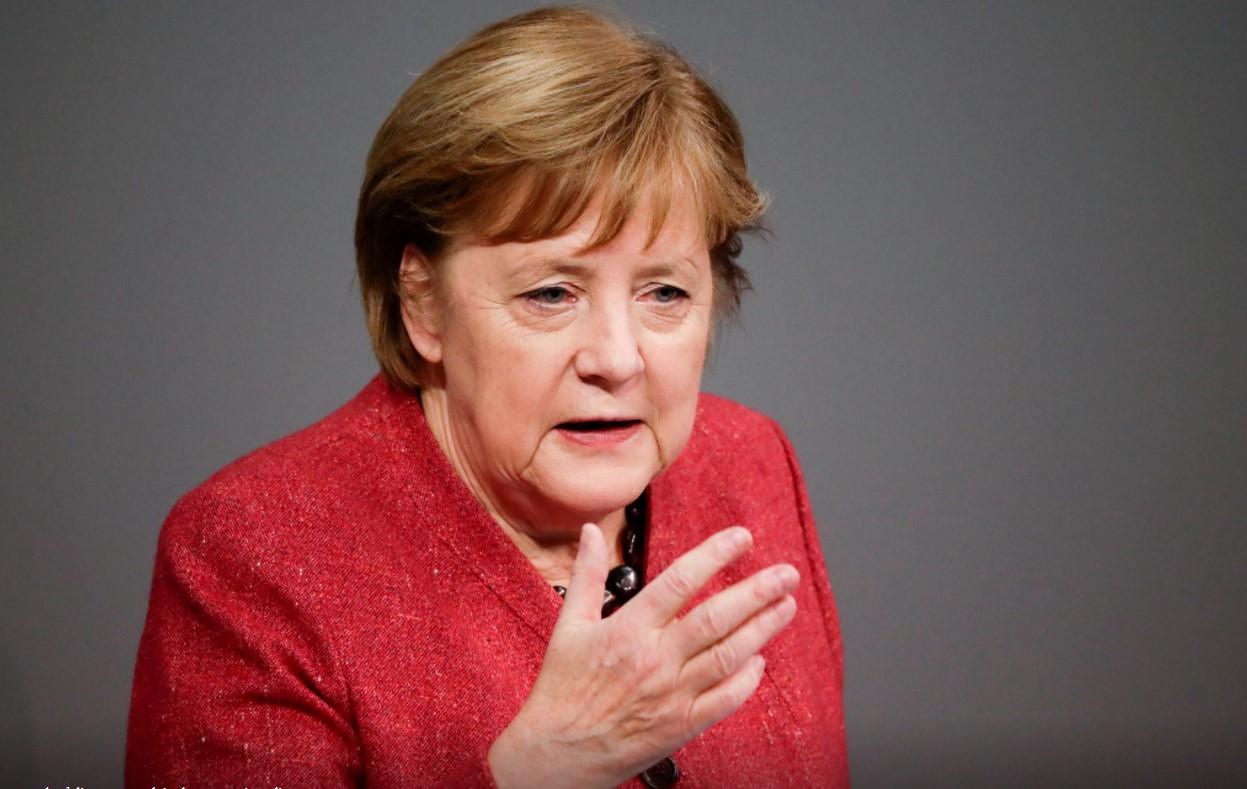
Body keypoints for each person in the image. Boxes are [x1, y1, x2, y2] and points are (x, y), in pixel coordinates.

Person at [126, 6, 848, 787]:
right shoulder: (254, 557)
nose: (616, 357)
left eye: (664, 291)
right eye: (549, 293)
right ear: (424, 302)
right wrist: (538, 773)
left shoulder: (747, 463)